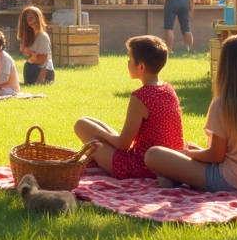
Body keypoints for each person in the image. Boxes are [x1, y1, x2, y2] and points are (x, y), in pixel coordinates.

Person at [144, 34, 237, 193]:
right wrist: (197, 153)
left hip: (233, 181)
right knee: (188, 155)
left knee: (153, 154)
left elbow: (216, 156)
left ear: (224, 66)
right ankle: (172, 178)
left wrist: (188, 153)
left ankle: (172, 178)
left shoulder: (223, 104)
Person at [73, 35, 184, 178]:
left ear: (141, 66)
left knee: (81, 125)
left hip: (140, 167)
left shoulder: (141, 96)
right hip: (168, 162)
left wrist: (99, 135)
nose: (127, 62)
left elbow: (123, 144)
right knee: (88, 121)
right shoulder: (168, 88)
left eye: (130, 59)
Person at [17, 6, 54, 85]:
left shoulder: (43, 36)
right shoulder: (30, 37)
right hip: (31, 67)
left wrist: (40, 80)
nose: (34, 21)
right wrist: (29, 55)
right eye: (28, 19)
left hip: (43, 71)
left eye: (32, 18)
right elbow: (24, 56)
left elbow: (44, 60)